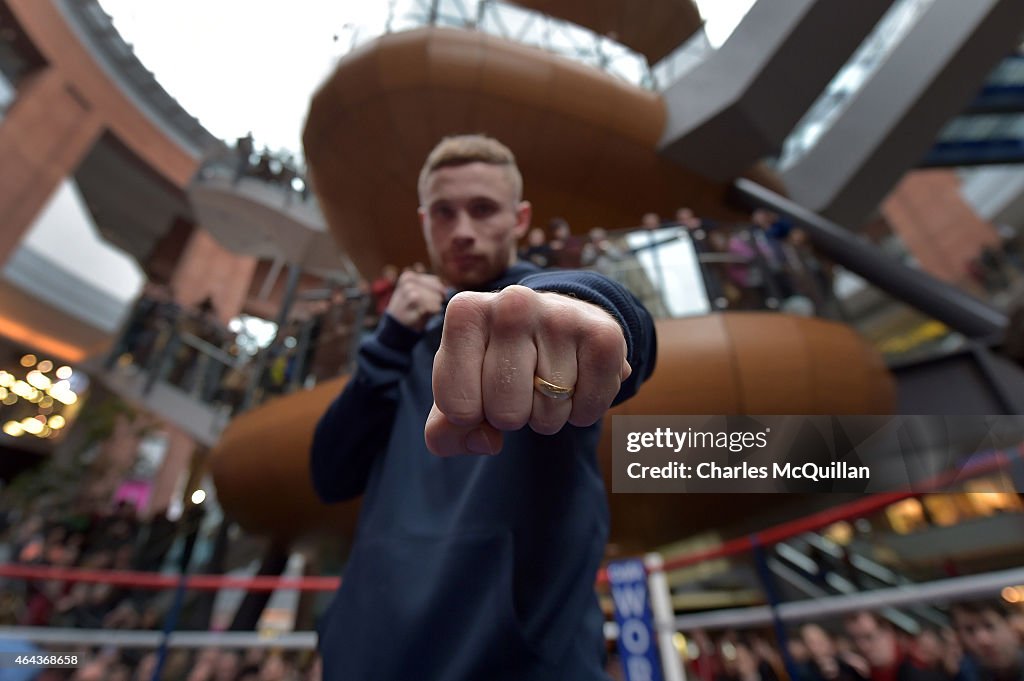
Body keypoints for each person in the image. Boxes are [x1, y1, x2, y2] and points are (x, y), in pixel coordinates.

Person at [310, 134, 657, 680]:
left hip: (513, 662)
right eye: (444, 213)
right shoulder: (399, 344)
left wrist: (587, 310)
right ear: (424, 221)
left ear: (520, 220)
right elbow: (329, 476)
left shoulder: (532, 307)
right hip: (369, 656)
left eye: (483, 209)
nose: (463, 231)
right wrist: (389, 342)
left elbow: (594, 311)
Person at [844, 611, 950, 681]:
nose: (863, 646)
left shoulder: (921, 665)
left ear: (888, 631)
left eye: (869, 637)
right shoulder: (855, 674)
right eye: (856, 640)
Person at [950, 600, 1023, 681]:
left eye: (989, 626)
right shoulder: (964, 672)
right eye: (970, 630)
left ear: (1012, 626)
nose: (983, 641)